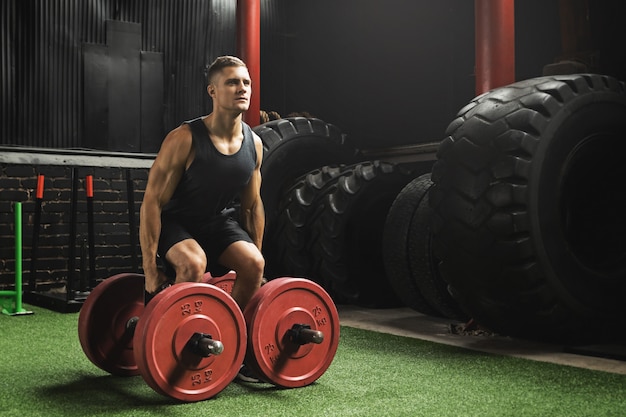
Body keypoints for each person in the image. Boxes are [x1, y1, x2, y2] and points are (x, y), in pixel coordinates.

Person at [139, 55, 265, 317]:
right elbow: (153, 202)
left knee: (254, 264)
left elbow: (251, 208)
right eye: (232, 83)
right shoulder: (184, 138)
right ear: (213, 91)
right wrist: (150, 270)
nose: (242, 88)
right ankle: (169, 334)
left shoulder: (254, 144)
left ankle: (224, 329)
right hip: (174, 222)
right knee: (193, 264)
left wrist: (256, 260)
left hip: (217, 223)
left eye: (246, 83)